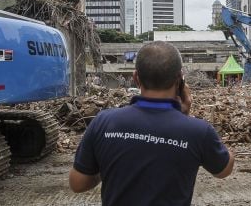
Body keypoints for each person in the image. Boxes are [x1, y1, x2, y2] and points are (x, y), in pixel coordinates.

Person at [69, 41, 234, 205]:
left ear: (135, 77)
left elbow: (77, 183)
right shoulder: (198, 131)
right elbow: (224, 170)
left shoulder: (103, 122)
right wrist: (184, 118)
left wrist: (107, 167)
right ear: (179, 80)